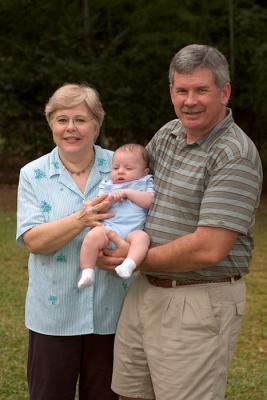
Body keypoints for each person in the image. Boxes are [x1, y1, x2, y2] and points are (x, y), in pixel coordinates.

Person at [100, 45, 263, 400]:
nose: (190, 100)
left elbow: (209, 248)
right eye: (181, 90)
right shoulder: (169, 134)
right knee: (130, 394)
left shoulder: (234, 154)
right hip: (146, 290)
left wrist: (134, 257)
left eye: (201, 90)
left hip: (198, 299)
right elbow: (134, 185)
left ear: (224, 92)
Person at [16, 83, 130, 400]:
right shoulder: (33, 174)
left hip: (111, 313)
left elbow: (141, 227)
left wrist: (121, 254)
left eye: (80, 119)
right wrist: (80, 219)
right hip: (53, 315)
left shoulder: (123, 169)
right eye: (62, 119)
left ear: (97, 123)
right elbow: (34, 240)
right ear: (51, 124)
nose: (71, 128)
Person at [78, 143, 154, 288]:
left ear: (144, 172)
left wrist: (128, 193)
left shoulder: (144, 182)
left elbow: (150, 201)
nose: (120, 172)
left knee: (142, 238)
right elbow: (98, 208)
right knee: (92, 236)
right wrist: (109, 200)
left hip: (133, 231)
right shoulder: (107, 185)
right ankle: (87, 271)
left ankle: (129, 264)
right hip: (110, 228)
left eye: (128, 168)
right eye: (116, 168)